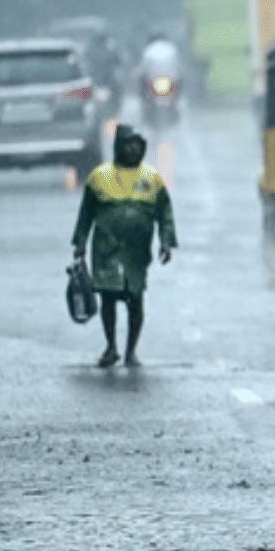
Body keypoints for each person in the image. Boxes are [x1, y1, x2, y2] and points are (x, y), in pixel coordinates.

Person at [71, 124, 177, 368]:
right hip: (106, 251)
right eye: (128, 143)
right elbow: (86, 213)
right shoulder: (100, 177)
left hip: (136, 254)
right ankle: (111, 347)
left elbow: (165, 212)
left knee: (135, 299)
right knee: (108, 299)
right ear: (118, 146)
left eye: (136, 144)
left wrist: (166, 242)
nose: (132, 149)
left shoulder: (151, 178)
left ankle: (131, 351)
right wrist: (80, 243)